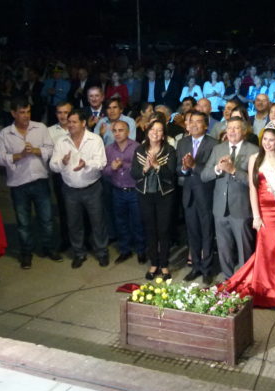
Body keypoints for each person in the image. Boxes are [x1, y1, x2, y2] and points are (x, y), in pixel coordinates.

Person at [223, 124, 275, 313]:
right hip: (263, 211)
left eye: (271, 140)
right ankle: (265, 292)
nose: (268, 143)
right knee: (265, 251)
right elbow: (252, 188)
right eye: (265, 139)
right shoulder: (255, 158)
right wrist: (256, 215)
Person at [0, 98, 59, 269]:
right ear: (13, 113)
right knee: (23, 223)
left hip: (40, 181)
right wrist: (19, 155)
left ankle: (49, 248)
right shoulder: (5, 134)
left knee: (46, 219)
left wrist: (37, 151)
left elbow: (51, 149)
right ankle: (26, 253)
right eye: (22, 112)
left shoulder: (40, 128)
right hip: (18, 184)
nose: (26, 116)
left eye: (28, 112)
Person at [49, 109, 109, 269]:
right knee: (74, 224)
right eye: (69, 122)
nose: (70, 125)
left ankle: (102, 252)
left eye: (74, 122)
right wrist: (62, 161)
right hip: (70, 190)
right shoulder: (62, 142)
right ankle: (79, 253)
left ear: (83, 123)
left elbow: (101, 163)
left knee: (98, 222)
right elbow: (52, 166)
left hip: (92, 188)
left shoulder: (95, 140)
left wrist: (86, 163)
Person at [201, 117, 259, 279]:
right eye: (230, 128)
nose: (232, 131)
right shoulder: (218, 149)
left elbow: (255, 182)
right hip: (220, 208)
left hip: (241, 208)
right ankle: (228, 281)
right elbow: (205, 175)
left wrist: (234, 170)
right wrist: (218, 168)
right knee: (223, 249)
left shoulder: (254, 150)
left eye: (237, 128)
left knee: (244, 249)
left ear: (244, 131)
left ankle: (245, 282)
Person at [132, 117, 178, 281]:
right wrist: (145, 168)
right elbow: (134, 174)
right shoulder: (139, 150)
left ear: (164, 135)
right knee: (150, 229)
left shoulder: (170, 150)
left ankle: (164, 264)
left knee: (164, 230)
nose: (155, 133)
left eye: (159, 130)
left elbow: (171, 174)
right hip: (145, 195)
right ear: (147, 132)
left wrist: (157, 165)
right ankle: (154, 263)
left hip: (164, 195)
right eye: (152, 130)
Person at [176, 110, 217, 284]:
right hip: (188, 194)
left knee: (206, 233)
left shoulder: (214, 144)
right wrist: (185, 168)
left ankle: (207, 269)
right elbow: (178, 169)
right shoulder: (183, 142)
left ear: (206, 125)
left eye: (198, 121)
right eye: (191, 121)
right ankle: (196, 267)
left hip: (206, 194)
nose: (193, 124)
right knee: (192, 233)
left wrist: (194, 165)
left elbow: (211, 172)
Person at [103, 120, 144, 264]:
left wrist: (123, 165)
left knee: (137, 222)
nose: (117, 133)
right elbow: (105, 170)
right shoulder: (109, 149)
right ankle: (124, 250)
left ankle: (141, 250)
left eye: (121, 130)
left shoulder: (137, 147)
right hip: (117, 190)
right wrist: (112, 168)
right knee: (120, 222)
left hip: (134, 190)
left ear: (127, 132)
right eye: (115, 130)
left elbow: (141, 169)